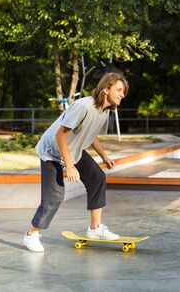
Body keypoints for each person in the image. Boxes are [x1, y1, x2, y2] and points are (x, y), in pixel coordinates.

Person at [23, 72, 128, 252]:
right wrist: (69, 166)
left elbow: (91, 133)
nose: (122, 94)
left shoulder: (104, 112)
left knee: (97, 177)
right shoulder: (82, 106)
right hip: (52, 152)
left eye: (123, 91)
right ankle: (31, 234)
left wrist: (104, 156)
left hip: (73, 151)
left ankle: (95, 229)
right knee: (54, 196)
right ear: (106, 89)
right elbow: (60, 135)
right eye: (119, 90)